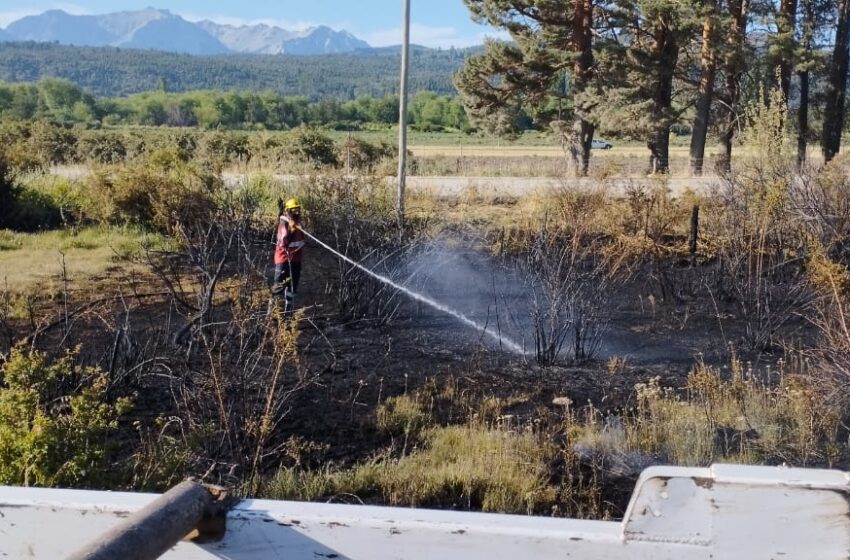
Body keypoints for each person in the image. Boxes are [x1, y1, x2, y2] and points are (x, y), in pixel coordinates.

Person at [272, 198, 305, 318]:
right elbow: (284, 242)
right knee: (278, 286)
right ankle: (274, 313)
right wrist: (291, 230)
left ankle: (288, 312)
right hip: (283, 260)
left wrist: (296, 227)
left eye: (297, 210)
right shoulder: (283, 224)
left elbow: (302, 241)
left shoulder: (299, 224)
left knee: (292, 287)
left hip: (296, 260)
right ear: (287, 211)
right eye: (293, 210)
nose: (296, 212)